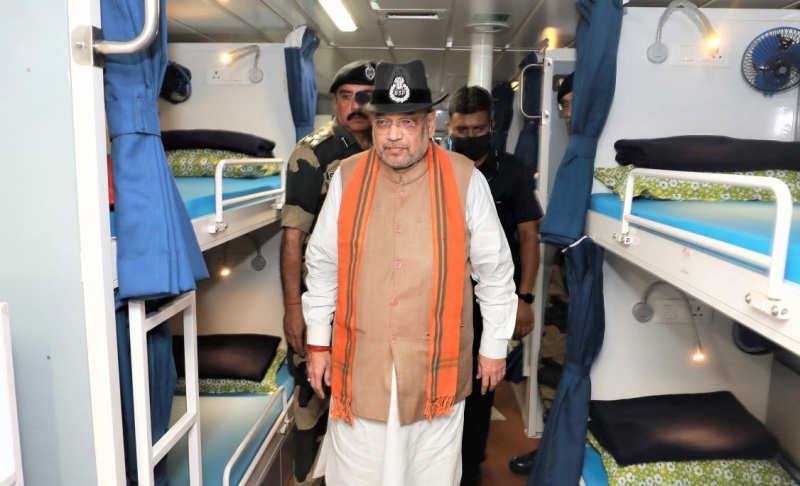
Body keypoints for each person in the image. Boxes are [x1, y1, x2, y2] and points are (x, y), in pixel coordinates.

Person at [302, 60, 518, 486]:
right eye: (384, 123)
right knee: (357, 473)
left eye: (407, 122)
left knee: (429, 472)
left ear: (430, 123)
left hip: (435, 365)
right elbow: (323, 265)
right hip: (360, 362)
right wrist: (318, 343)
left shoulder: (466, 179)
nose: (393, 135)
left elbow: (494, 271)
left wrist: (494, 346)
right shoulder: (347, 176)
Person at [280, 59, 376, 486]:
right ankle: (307, 478)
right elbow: (293, 238)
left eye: (365, 97)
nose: (356, 106)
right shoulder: (314, 152)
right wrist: (293, 308)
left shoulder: (389, 146)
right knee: (313, 396)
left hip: (370, 302)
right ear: (335, 101)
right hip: (323, 300)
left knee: (362, 404)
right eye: (346, 96)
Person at [447, 85, 543, 486]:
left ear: (492, 126)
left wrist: (525, 299)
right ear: (449, 127)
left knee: (481, 384)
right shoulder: (438, 168)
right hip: (446, 295)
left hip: (492, 295)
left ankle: (469, 467)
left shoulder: (514, 171)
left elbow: (529, 236)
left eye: (478, 129)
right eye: (462, 130)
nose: (470, 137)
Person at [508, 71, 574, 477]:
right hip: (567, 273)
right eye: (563, 105)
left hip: (588, 273)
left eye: (571, 104)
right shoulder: (576, 155)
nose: (566, 113)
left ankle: (562, 448)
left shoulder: (599, 153)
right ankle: (551, 446)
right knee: (552, 360)